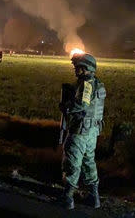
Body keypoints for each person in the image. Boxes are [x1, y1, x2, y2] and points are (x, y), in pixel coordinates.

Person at [58, 53, 105, 210]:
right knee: (88, 162)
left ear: (85, 68)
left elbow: (82, 104)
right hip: (92, 131)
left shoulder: (86, 84)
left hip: (81, 131)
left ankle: (67, 199)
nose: (75, 69)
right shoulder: (98, 84)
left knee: (72, 161)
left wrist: (67, 107)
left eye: (77, 67)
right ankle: (94, 198)